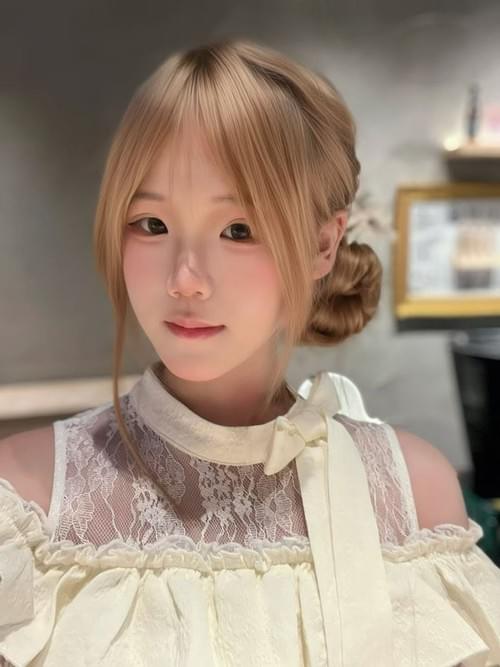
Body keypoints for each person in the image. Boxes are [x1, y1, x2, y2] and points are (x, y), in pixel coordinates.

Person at [0, 38, 499, 667]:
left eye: (238, 230)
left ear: (324, 245)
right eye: (152, 224)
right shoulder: (26, 505)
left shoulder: (417, 498)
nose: (185, 279)